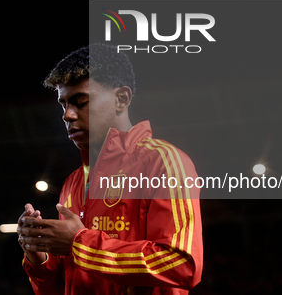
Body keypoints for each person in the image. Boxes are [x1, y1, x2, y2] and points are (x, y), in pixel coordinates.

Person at [17, 43, 203, 294]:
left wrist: (79, 244)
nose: (67, 115)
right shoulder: (74, 182)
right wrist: (40, 259)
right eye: (63, 105)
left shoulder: (164, 163)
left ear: (121, 99)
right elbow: (64, 285)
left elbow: (182, 265)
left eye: (80, 102)